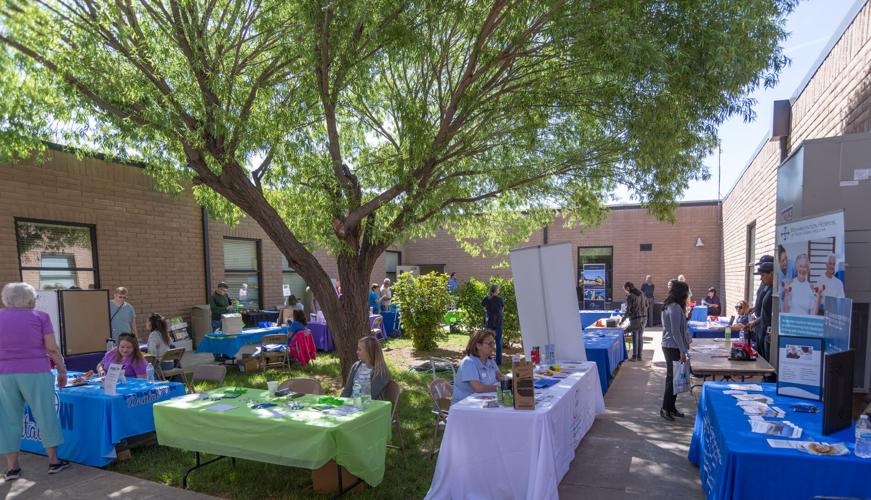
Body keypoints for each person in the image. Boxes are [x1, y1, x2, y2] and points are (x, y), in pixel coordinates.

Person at [0, 282, 71, 480]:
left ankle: (12, 467)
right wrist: (62, 369)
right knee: (45, 414)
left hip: (4, 373)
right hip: (36, 371)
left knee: (7, 419)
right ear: (30, 299)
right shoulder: (40, 317)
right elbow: (52, 348)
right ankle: (53, 461)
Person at [660, 279, 691, 421]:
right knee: (672, 379)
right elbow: (675, 332)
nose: (687, 295)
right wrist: (682, 349)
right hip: (672, 346)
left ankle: (671, 408)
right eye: (686, 292)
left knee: (675, 378)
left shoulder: (673, 306)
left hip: (672, 345)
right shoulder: (674, 307)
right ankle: (665, 408)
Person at [452, 329, 504, 403]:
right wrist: (501, 388)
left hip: (483, 401)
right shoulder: (468, 362)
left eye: (493, 343)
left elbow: (500, 377)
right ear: (478, 345)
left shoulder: (490, 360)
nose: (493, 347)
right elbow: (478, 388)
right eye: (489, 344)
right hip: (465, 405)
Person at [341, 336, 391, 400]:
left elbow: (370, 395)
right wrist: (340, 404)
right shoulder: (356, 366)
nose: (357, 352)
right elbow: (347, 390)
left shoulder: (380, 372)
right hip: (353, 404)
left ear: (369, 352)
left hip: (372, 407)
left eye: (359, 350)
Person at [746, 256, 775, 362]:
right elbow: (764, 306)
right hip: (762, 327)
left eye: (763, 275)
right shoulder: (768, 286)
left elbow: (772, 313)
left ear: (771, 273)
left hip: (768, 331)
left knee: (768, 360)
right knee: (762, 356)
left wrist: (755, 322)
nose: (761, 278)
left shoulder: (775, 290)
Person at [481, 284, 505, 365]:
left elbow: (483, 307)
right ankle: (498, 361)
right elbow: (502, 310)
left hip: (489, 324)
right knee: (498, 342)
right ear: (496, 290)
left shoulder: (486, 298)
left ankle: (487, 359)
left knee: (487, 342)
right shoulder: (500, 299)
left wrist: (488, 312)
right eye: (498, 289)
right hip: (498, 323)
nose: (499, 290)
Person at [623, 282, 646, 361]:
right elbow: (647, 305)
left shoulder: (630, 296)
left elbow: (627, 310)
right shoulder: (641, 293)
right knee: (640, 337)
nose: (625, 291)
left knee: (635, 337)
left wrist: (622, 320)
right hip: (644, 317)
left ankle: (634, 356)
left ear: (628, 288)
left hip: (636, 318)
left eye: (625, 289)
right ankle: (639, 356)